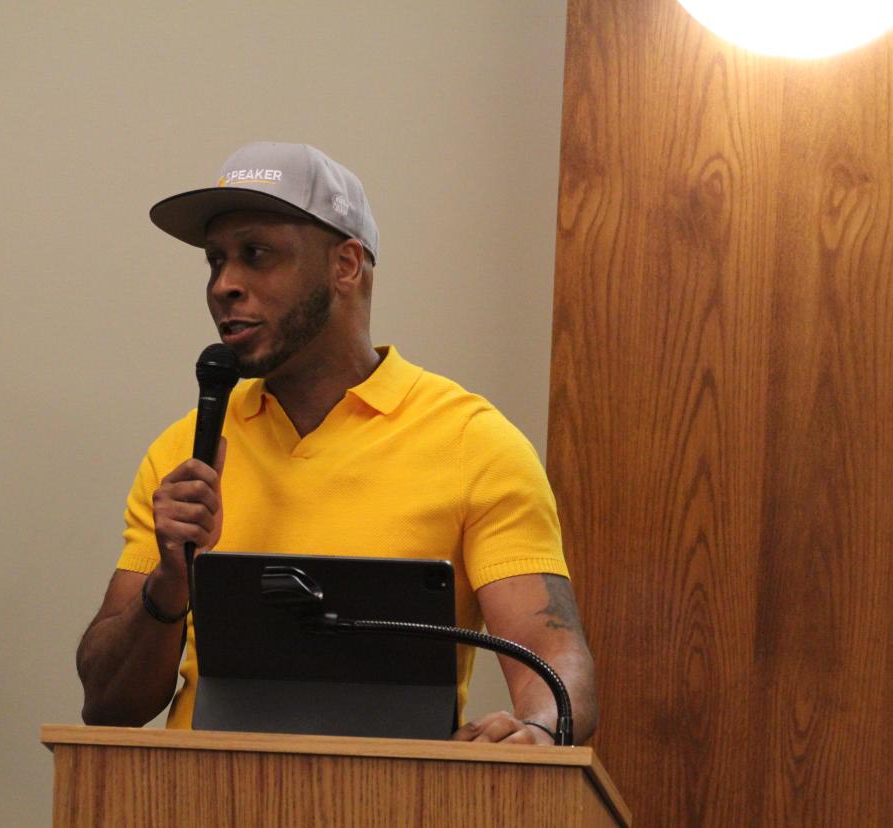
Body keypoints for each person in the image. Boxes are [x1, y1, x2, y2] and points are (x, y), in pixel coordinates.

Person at [76, 142, 597, 745]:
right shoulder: (185, 456)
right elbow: (107, 706)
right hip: (197, 799)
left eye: (256, 255)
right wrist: (168, 582)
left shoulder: (471, 442)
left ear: (346, 265)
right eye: (215, 261)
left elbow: (555, 661)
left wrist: (537, 730)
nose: (224, 285)